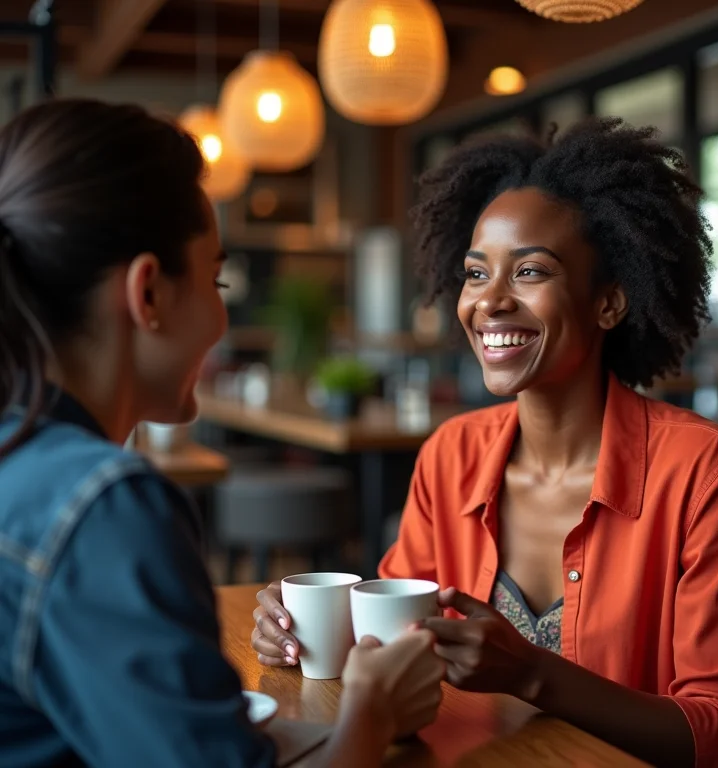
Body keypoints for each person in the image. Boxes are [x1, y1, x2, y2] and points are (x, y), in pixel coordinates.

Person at [253, 118, 718, 768]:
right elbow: (388, 644)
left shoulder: (707, 473)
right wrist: (300, 630)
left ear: (608, 302)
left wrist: (532, 674)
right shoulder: (451, 455)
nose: (489, 302)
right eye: (475, 273)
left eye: (529, 272)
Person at [0, 98, 445, 768]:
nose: (220, 319)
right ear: (147, 294)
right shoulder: (103, 507)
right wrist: (371, 714)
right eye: (216, 278)